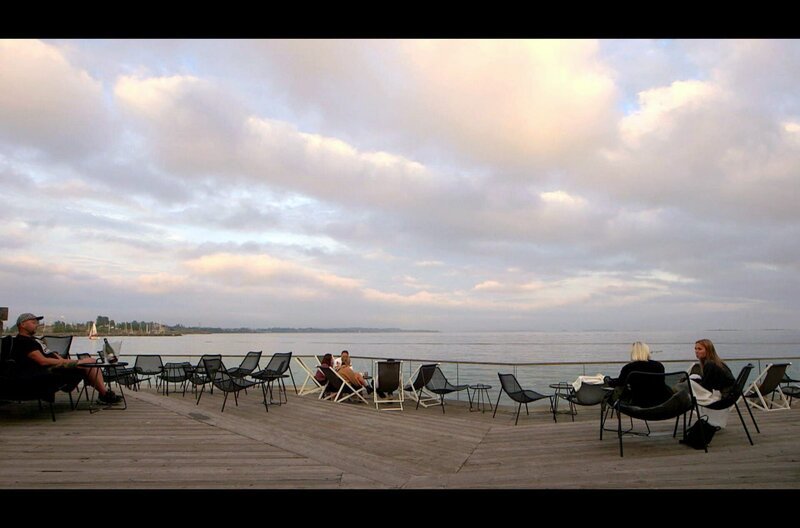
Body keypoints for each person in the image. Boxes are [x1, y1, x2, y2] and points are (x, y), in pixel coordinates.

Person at [12, 313, 122, 404]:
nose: (37, 325)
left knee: (90, 361)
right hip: (50, 371)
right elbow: (42, 361)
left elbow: (51, 354)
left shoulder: (35, 340)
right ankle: (104, 395)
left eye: (37, 322)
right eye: (33, 322)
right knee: (89, 363)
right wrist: (72, 362)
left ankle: (104, 394)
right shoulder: (23, 341)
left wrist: (65, 359)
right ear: (22, 324)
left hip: (57, 366)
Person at [688, 338, 735, 428]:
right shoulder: (717, 363)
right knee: (691, 382)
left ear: (708, 350)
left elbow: (707, 387)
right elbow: (710, 382)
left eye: (699, 349)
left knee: (688, 386)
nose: (696, 351)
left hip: (724, 398)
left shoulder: (710, 364)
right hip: (730, 395)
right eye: (695, 349)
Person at [604, 341, 668, 406]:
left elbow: (620, 382)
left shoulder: (629, 368)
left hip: (639, 403)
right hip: (661, 402)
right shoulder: (659, 366)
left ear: (633, 353)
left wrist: (608, 380)